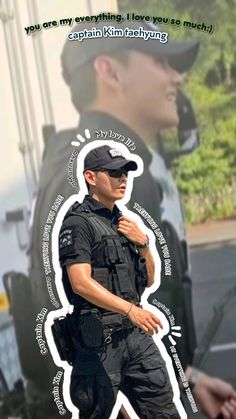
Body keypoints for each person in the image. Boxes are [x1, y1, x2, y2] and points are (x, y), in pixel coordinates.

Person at [59, 19, 236, 419]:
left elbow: (139, 294)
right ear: (111, 71)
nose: (177, 77)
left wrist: (186, 377)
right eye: (161, 62)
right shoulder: (76, 181)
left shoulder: (131, 176)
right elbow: (70, 307)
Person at [58, 144, 181, 419]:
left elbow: (148, 280)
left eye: (125, 172)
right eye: (114, 173)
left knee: (164, 412)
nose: (123, 178)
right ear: (91, 177)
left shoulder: (124, 223)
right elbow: (80, 282)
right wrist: (130, 309)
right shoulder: (78, 223)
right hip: (99, 343)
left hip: (136, 338)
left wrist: (145, 245)